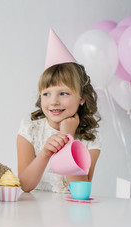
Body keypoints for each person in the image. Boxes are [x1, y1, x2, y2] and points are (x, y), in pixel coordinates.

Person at [17, 29, 101, 193]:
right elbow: (25, 185)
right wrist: (45, 153)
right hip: (32, 212)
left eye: (63, 93)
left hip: (71, 213)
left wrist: (68, 139)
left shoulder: (90, 138)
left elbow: (80, 190)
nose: (54, 101)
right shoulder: (29, 129)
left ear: (82, 98)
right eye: (46, 94)